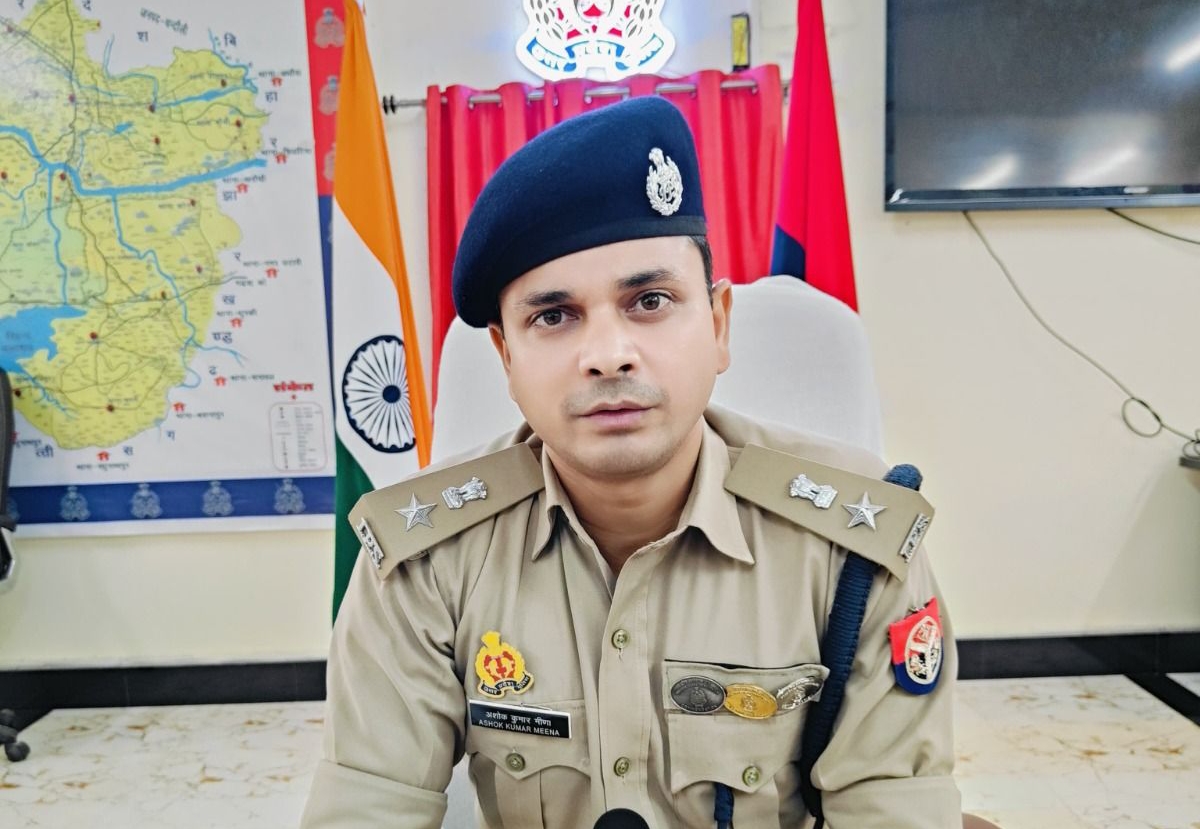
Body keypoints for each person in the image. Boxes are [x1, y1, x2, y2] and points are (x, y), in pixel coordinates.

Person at [301, 96, 960, 828]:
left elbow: (892, 809)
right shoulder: (423, 556)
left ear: (717, 325)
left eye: (649, 301)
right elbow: (366, 808)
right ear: (506, 357)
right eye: (554, 316)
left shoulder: (854, 545)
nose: (608, 354)